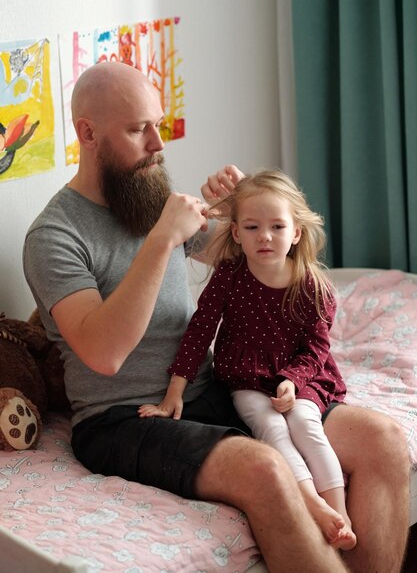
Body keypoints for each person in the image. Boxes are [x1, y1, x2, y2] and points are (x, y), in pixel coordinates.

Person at [22, 61, 409, 573]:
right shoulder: (54, 236)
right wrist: (162, 240)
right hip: (121, 417)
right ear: (88, 133)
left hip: (208, 389)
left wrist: (247, 205)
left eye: (158, 124)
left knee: (383, 441)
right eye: (139, 129)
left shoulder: (145, 191)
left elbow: (249, 260)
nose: (158, 144)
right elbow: (103, 352)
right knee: (266, 469)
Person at [139, 169, 356, 550]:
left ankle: (340, 518)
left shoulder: (312, 286)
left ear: (296, 232)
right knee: (271, 429)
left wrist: (292, 380)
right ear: (236, 233)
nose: (265, 237)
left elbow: (316, 348)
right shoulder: (230, 275)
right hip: (246, 377)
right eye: (253, 227)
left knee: (306, 425)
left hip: (302, 377)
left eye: (277, 226)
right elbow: (200, 329)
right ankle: (315, 507)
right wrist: (174, 391)